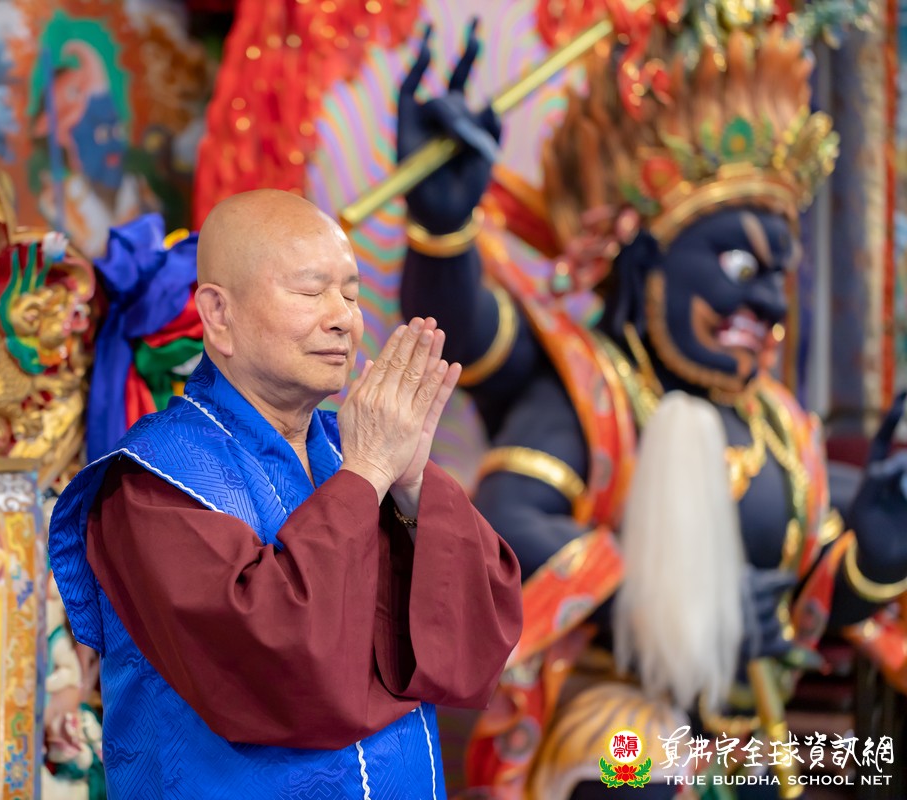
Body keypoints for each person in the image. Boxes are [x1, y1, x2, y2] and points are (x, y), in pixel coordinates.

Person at [392, 7, 907, 800]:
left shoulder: (781, 428)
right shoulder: (593, 394)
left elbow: (802, 606)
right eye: (740, 266)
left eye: (781, 274)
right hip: (616, 721)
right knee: (642, 776)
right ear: (646, 264)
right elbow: (509, 523)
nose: (770, 302)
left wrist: (875, 554)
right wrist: (443, 229)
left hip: (745, 738)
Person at [49, 189, 523, 798]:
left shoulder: (354, 450)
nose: (343, 318)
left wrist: (410, 485)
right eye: (310, 291)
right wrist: (369, 474)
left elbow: (482, 630)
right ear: (219, 314)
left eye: (351, 294)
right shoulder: (152, 483)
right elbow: (280, 666)